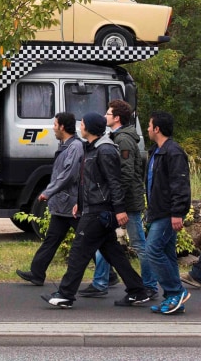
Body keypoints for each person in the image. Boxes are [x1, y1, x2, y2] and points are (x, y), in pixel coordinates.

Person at [42, 112, 150, 309]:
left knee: (78, 252)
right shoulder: (91, 148)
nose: (80, 127)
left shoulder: (105, 150)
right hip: (93, 208)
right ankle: (138, 291)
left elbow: (114, 183)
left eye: (82, 124)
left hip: (100, 211)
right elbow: (89, 182)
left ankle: (65, 295)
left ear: (89, 127)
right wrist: (80, 203)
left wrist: (119, 210)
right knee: (113, 253)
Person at [81, 100, 158, 299]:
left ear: (116, 118)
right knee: (105, 240)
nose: (104, 116)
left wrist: (118, 204)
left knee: (139, 244)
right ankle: (100, 282)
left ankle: (150, 285)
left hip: (127, 202)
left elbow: (123, 174)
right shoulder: (116, 136)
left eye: (108, 113)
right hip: (120, 201)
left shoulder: (122, 140)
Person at [16, 112, 83, 286]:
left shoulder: (75, 147)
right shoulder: (66, 146)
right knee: (52, 239)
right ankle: (37, 273)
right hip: (63, 205)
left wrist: (49, 191)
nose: (53, 128)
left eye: (54, 124)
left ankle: (110, 275)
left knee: (89, 241)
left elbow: (68, 175)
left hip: (71, 204)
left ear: (62, 127)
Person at [144, 111, 192, 314]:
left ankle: (175, 291)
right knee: (167, 254)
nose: (147, 128)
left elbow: (180, 184)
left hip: (167, 213)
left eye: (149, 125)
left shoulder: (173, 152)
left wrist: (177, 213)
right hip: (158, 211)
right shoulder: (156, 151)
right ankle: (174, 300)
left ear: (157, 129)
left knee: (152, 250)